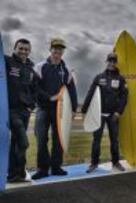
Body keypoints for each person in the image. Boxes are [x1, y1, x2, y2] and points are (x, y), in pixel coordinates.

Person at [32, 38, 78, 180]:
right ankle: (42, 169)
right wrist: (49, 97)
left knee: (58, 139)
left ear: (63, 51)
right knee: (41, 139)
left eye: (60, 48)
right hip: (43, 109)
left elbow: (72, 91)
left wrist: (73, 109)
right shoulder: (40, 67)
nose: (57, 51)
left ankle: (56, 167)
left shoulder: (66, 70)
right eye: (55, 48)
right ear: (50, 49)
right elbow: (35, 88)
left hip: (60, 111)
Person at [82, 53, 128, 173]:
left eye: (114, 61)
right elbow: (90, 93)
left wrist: (119, 112)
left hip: (113, 115)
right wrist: (84, 110)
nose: (112, 63)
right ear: (106, 62)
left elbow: (124, 96)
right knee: (96, 140)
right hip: (99, 115)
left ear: (116, 62)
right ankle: (94, 163)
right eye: (110, 61)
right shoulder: (99, 77)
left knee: (114, 140)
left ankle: (116, 162)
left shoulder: (120, 78)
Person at [5, 38, 38, 182]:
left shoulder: (31, 68)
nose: (23, 51)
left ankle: (15, 174)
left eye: (26, 49)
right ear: (14, 48)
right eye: (21, 48)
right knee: (23, 142)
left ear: (29, 51)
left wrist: (32, 103)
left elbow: (35, 89)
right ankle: (17, 171)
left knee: (16, 143)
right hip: (11, 110)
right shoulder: (6, 62)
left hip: (25, 111)